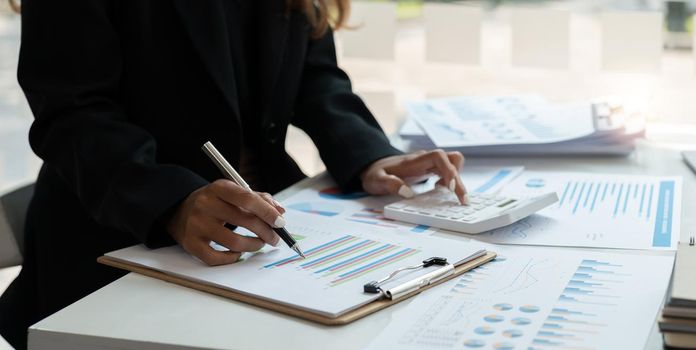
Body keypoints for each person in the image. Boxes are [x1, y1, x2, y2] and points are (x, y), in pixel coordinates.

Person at [0, 1, 469, 348]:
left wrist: (368, 156)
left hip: (262, 238)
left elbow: (315, 74)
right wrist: (172, 200)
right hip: (109, 248)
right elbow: (73, 113)